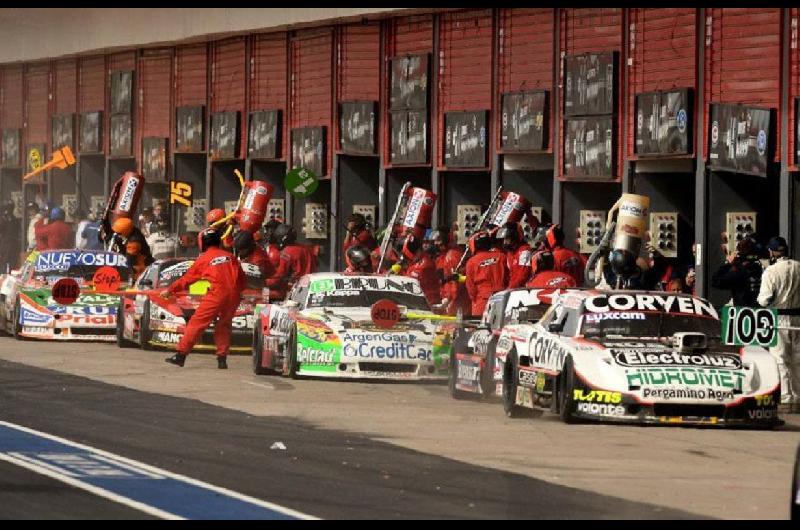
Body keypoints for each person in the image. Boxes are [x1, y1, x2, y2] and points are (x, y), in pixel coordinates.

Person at [164, 228, 246, 369]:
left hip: (217, 294)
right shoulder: (230, 257)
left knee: (197, 323)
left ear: (203, 243)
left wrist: (170, 290)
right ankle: (222, 359)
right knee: (224, 325)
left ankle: (180, 355)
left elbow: (187, 279)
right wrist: (239, 293)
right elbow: (242, 278)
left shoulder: (204, 259)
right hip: (234, 295)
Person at [757, 236, 800, 412]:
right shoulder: (799, 267)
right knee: (798, 358)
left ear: (772, 252)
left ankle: (786, 397)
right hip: (798, 316)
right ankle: (798, 396)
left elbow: (764, 300)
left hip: (779, 317)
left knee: (780, 358)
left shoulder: (771, 272)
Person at [465, 230, 508, 317]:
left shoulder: (472, 262)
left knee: (479, 329)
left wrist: (475, 300)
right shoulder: (502, 256)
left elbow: (470, 287)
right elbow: (509, 277)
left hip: (482, 300)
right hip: (502, 298)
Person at [711, 237, 763, 307]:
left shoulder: (739, 273)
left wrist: (728, 263)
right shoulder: (763, 269)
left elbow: (715, 281)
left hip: (743, 313)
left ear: (738, 254)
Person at [392, 235, 441, 306]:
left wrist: (399, 273)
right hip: (416, 301)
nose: (408, 259)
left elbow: (409, 282)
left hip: (428, 305)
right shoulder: (415, 261)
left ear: (418, 251)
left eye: (408, 257)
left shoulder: (425, 264)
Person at [496, 221, 532, 288]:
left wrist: (510, 288)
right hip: (513, 288)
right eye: (504, 239)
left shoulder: (525, 251)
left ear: (514, 237)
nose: (504, 242)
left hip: (522, 289)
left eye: (507, 239)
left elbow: (523, 275)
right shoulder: (510, 252)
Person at [0, 200, 20, 272]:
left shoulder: (15, 220)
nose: (8, 210)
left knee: (12, 263)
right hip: (5, 244)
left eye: (10, 208)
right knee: (4, 263)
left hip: (12, 244)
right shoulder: (2, 218)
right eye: (7, 208)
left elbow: (17, 232)